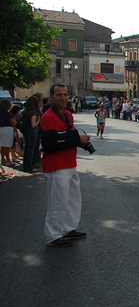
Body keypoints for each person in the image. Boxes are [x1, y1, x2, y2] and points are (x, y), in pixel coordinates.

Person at [40, 83, 90, 248]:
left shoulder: (68, 114)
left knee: (73, 200)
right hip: (56, 165)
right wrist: (77, 139)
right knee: (58, 202)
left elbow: (66, 136)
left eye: (65, 94)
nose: (63, 98)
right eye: (59, 95)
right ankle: (53, 235)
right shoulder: (47, 117)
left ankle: (69, 228)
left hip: (70, 163)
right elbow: (51, 143)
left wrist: (79, 142)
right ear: (51, 97)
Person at [21, 96, 41, 173]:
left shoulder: (25, 111)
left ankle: (25, 166)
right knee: (31, 150)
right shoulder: (33, 113)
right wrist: (38, 121)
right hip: (32, 131)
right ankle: (30, 167)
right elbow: (33, 125)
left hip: (25, 131)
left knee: (27, 149)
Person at [0, 99, 18, 166]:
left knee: (2, 145)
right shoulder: (8, 113)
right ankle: (8, 159)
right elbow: (13, 123)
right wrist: (16, 130)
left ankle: (2, 159)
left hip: (1, 128)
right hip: (8, 129)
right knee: (7, 145)